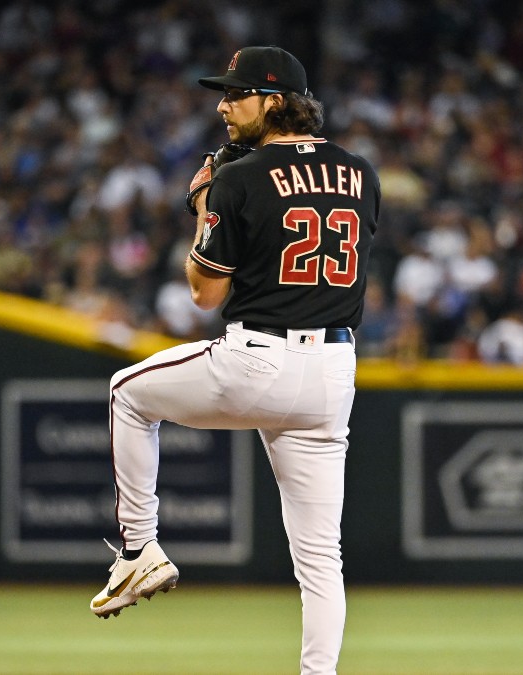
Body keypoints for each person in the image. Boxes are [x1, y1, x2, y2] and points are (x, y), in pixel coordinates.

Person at [90, 46, 380, 675]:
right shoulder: (361, 172)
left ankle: (139, 548)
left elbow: (204, 292)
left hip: (261, 358)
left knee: (127, 394)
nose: (222, 105)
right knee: (320, 561)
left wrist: (204, 205)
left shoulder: (239, 177)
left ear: (274, 101)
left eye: (236, 94)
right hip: (334, 372)